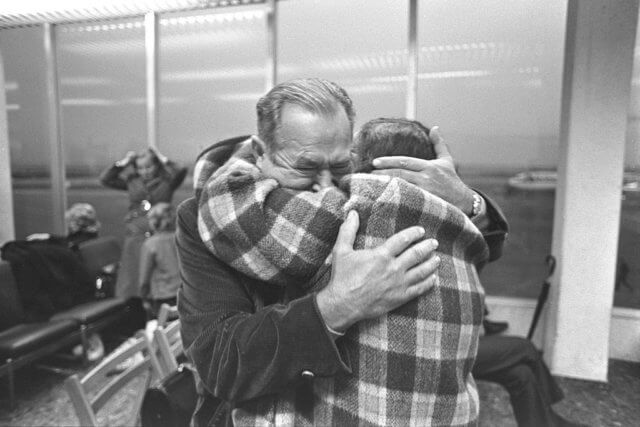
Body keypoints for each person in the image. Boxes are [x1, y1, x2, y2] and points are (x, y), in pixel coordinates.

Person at [177, 78, 508, 426]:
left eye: (338, 167)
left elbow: (480, 247)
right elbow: (221, 365)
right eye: (305, 168)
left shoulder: (356, 201)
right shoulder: (207, 219)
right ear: (261, 153)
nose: (325, 186)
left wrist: (468, 202)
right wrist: (335, 306)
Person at [100, 146, 187, 299]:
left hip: (161, 233)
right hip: (136, 233)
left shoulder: (167, 181)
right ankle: (135, 304)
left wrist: (162, 157)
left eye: (149, 167)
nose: (145, 171)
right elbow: (105, 179)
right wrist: (124, 162)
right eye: (140, 168)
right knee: (132, 275)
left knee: (161, 272)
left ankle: (158, 304)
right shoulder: (131, 181)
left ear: (157, 165)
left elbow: (181, 171)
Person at [474, 335, 584, 427]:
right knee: (527, 348)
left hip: (465, 341)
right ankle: (548, 413)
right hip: (458, 349)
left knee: (521, 374)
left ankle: (546, 420)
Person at [139, 202, 180, 319]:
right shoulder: (182, 238)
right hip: (187, 294)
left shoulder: (150, 244)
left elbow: (144, 279)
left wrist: (144, 298)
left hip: (164, 298)